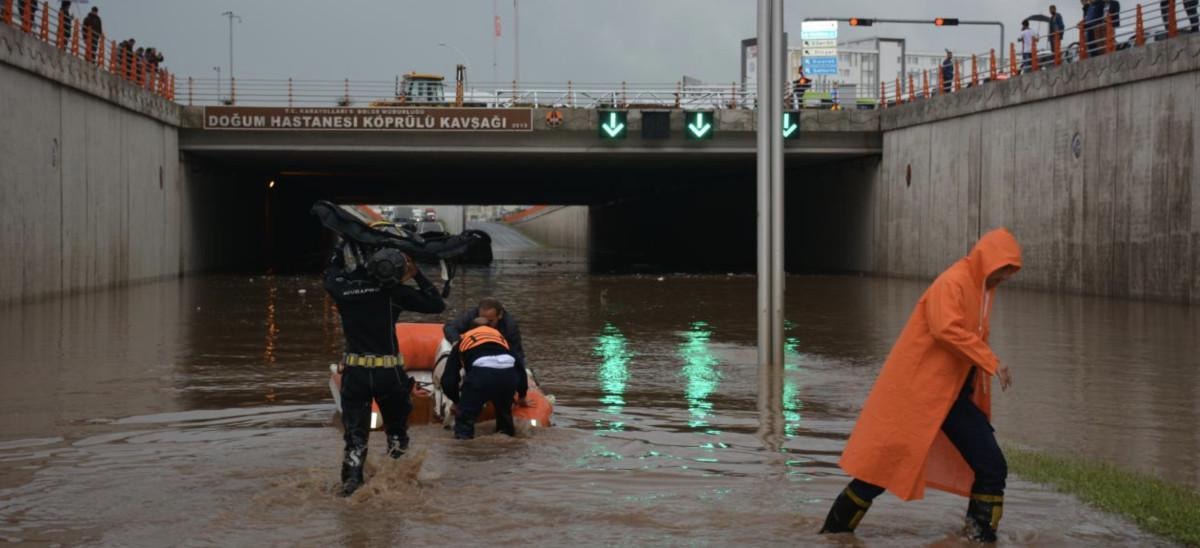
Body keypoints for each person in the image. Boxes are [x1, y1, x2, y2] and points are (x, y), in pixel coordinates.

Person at [819, 228, 1022, 543]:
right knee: (877, 473)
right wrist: (991, 361)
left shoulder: (983, 289)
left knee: (992, 466)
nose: (1007, 276)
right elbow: (945, 329)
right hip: (919, 396)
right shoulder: (953, 282)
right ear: (988, 261)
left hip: (953, 398)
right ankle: (833, 535)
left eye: (1011, 270)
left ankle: (979, 539)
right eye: (1004, 268)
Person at [324, 234, 446, 497]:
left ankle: (351, 488)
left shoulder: (343, 290)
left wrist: (341, 248)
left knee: (355, 438)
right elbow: (436, 304)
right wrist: (416, 274)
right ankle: (397, 484)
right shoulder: (393, 293)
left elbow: (331, 274)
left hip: (356, 375)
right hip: (388, 376)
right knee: (397, 433)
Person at [440, 320, 529, 439]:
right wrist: (522, 395)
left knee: (465, 419)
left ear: (469, 330)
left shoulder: (463, 341)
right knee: (504, 415)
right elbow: (520, 370)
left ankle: (463, 446)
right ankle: (507, 442)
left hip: (481, 376)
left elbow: (448, 380)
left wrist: (457, 401)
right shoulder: (502, 340)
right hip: (507, 375)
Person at [443, 297, 526, 373]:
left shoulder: (510, 327)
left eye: (490, 321)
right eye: (481, 319)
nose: (485, 325)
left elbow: (517, 353)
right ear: (478, 313)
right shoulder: (472, 315)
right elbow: (450, 327)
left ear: (500, 315)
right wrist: (457, 343)